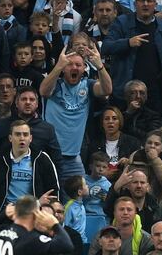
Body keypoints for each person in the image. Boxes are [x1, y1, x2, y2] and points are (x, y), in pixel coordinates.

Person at [40, 46, 112, 178]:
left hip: (74, 157)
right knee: (53, 195)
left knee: (77, 196)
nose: (74, 68)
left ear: (84, 68)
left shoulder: (88, 85)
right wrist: (58, 67)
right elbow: (43, 91)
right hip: (51, 154)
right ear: (63, 68)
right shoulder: (55, 85)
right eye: (69, 64)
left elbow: (106, 90)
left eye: (78, 65)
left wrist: (100, 66)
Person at [102, 0, 162, 106]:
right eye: (141, 1)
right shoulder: (122, 22)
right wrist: (128, 43)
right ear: (135, 4)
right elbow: (106, 47)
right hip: (126, 90)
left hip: (154, 91)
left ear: (155, 4)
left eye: (149, 1)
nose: (145, 4)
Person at [0, 119, 59, 216]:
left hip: (34, 214)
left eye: (25, 135)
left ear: (31, 138)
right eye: (17, 134)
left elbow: (53, 191)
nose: (22, 138)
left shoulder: (42, 159)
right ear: (10, 138)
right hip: (4, 214)